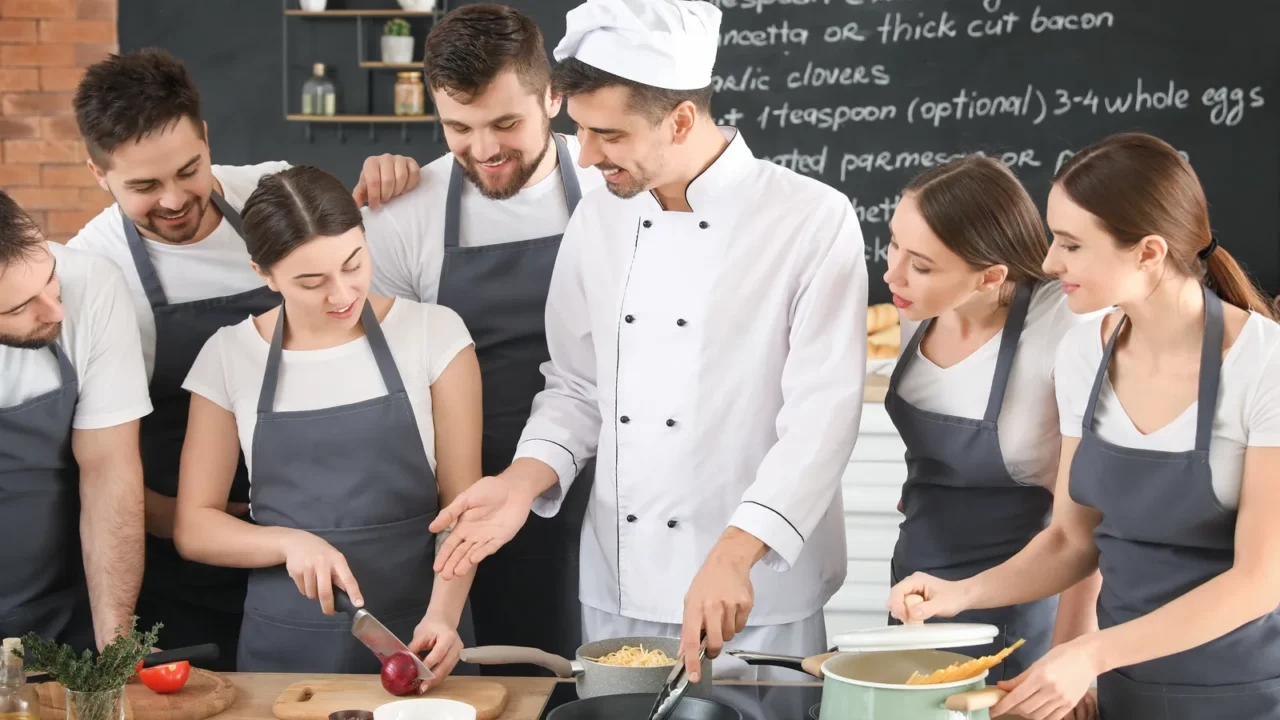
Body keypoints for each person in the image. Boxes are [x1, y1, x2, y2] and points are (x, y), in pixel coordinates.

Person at [428, 0, 869, 685]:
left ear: (682, 119)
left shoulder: (810, 220)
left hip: (756, 591)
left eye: (608, 134)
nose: (585, 152)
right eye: (580, 129)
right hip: (621, 587)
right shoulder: (599, 214)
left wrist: (735, 549)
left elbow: (822, 419)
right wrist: (521, 482)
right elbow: (575, 386)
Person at [888, 132, 1280, 720]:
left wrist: (1086, 652)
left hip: (1238, 694)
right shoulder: (1084, 355)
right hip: (1120, 689)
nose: (1047, 263)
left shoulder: (1264, 365)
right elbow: (1073, 540)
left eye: (1071, 245)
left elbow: (1259, 580)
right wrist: (961, 595)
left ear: (1148, 253)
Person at [65, 47, 422, 669]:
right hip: (184, 562)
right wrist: (192, 523)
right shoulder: (94, 271)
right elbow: (94, 460)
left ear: (205, 137)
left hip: (319, 553)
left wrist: (396, 182)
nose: (175, 199)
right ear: (99, 174)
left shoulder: (270, 196)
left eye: (189, 169)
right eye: (144, 186)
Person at [360, 4, 605, 667]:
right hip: (464, 497)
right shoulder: (404, 214)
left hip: (608, 491)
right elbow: (394, 384)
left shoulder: (614, 195)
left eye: (506, 123)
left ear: (553, 96)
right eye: (458, 128)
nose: (485, 149)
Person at [171, 165, 481, 677]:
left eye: (354, 263)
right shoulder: (229, 356)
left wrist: (443, 618)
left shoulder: (434, 335)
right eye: (311, 281)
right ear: (262, 274)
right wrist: (287, 541)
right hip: (284, 650)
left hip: (424, 633)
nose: (342, 295)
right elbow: (194, 527)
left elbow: (465, 509)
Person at [881, 157, 1102, 716]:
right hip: (915, 587)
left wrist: (1072, 657)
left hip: (1021, 605)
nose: (893, 276)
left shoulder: (1063, 328)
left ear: (990, 276)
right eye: (892, 246)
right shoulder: (915, 307)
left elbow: (1087, 528)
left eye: (922, 265)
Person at [0, 191, 152, 653]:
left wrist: (117, 641)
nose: (55, 311)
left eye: (50, 278)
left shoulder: (93, 285)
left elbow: (109, 471)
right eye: (18, 308)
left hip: (59, 613)